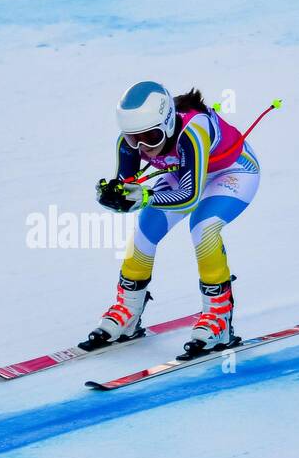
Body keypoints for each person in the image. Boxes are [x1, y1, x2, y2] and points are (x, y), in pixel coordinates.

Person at [84, 80, 261, 357]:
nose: (143, 147)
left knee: (203, 227)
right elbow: (128, 189)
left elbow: (189, 196)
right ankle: (128, 310)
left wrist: (142, 197)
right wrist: (114, 197)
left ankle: (219, 319)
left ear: (167, 124)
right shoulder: (129, 141)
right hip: (185, 174)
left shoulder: (194, 131)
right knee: (146, 226)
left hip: (232, 173)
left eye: (152, 138)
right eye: (134, 139)